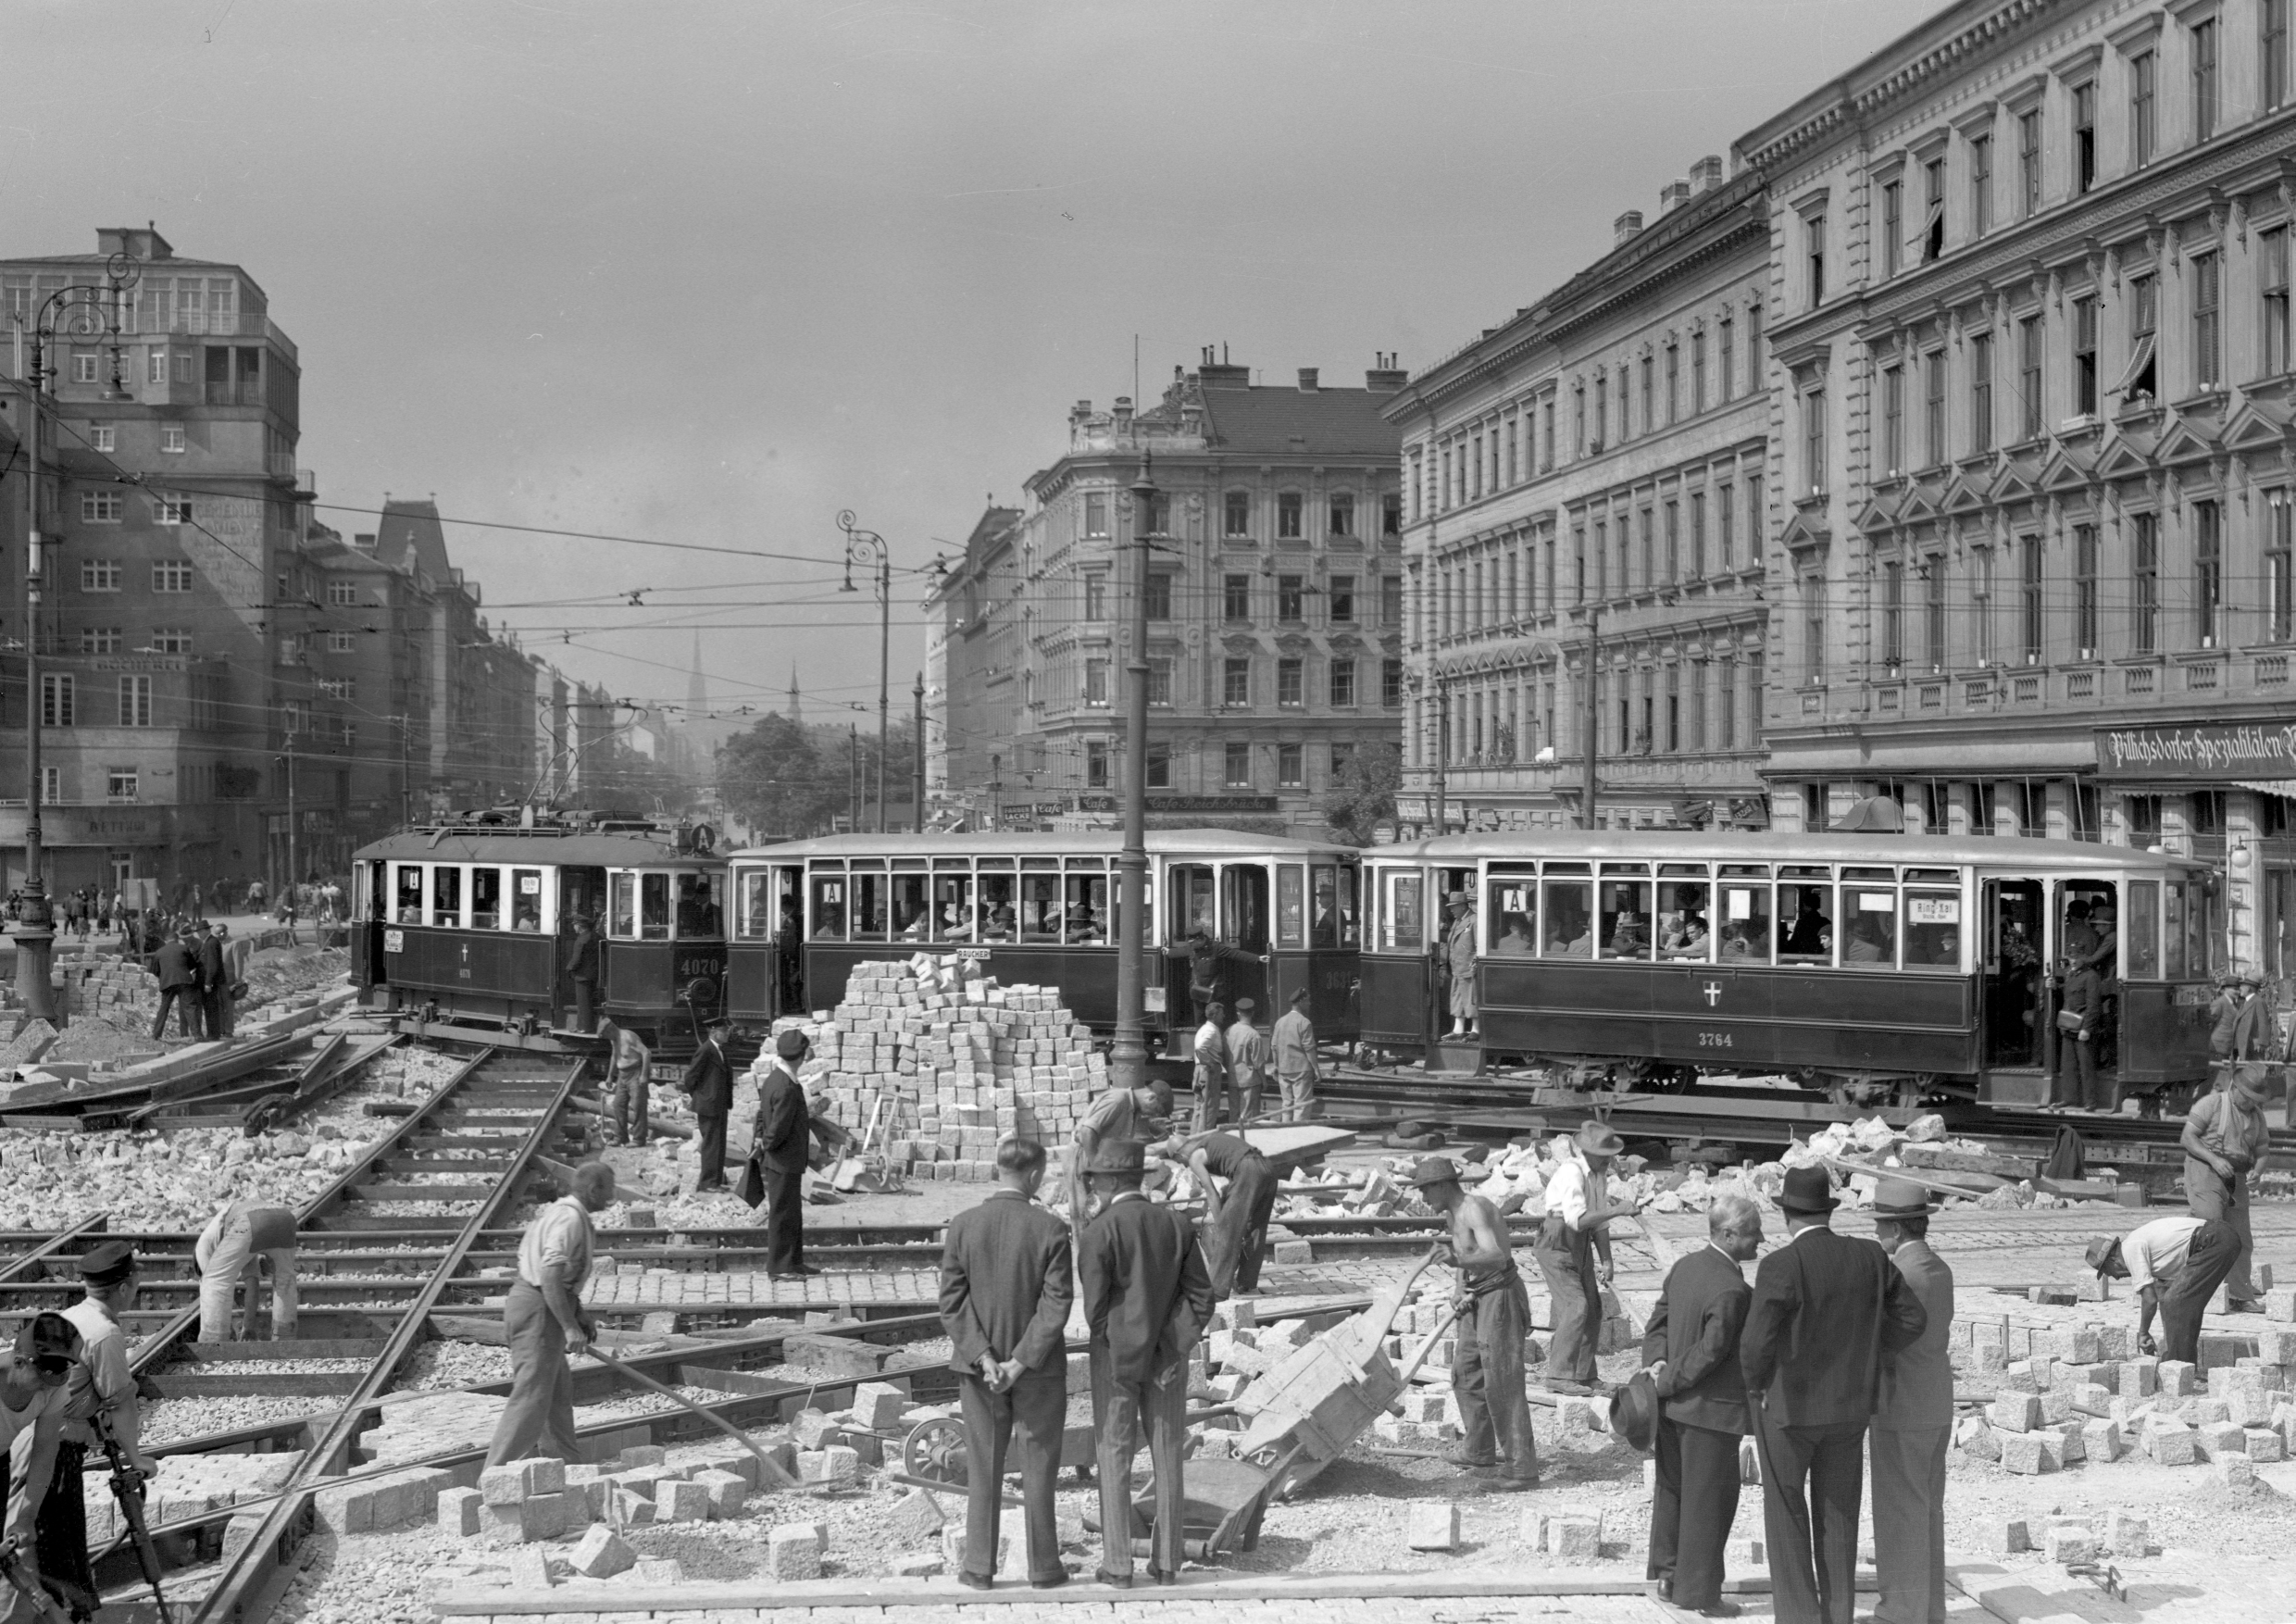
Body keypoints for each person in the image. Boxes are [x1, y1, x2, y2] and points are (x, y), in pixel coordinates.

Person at [1739, 1166, 1928, 1624]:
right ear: (1828, 1210)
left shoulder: (1780, 1265)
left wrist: (1756, 1387)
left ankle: (1801, 1616)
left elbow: (1755, 1344)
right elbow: (1912, 1320)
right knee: (1839, 1514)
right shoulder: (1869, 1257)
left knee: (1786, 1512)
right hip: (1849, 1408)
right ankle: (1838, 1615)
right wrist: (1867, 1354)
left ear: (1787, 1216)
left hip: (1787, 1409)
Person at [937, 1137, 1074, 1591]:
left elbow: (952, 1303)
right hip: (1038, 1371)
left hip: (978, 1372)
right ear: (1035, 1176)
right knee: (1039, 1467)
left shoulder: (962, 1225)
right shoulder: (1051, 1229)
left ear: (998, 1170)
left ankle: (978, 1568)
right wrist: (1019, 1361)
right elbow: (1057, 1305)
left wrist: (984, 1357)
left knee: (984, 1468)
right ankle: (1045, 1569)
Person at [1077, 1138, 1214, 1588]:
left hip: (1115, 1363)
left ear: (1114, 1180)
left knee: (1113, 1455)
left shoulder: (1099, 1232)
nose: (1092, 1186)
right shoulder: (1176, 1225)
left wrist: (1127, 1356)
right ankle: (1168, 1563)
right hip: (1169, 1364)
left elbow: (1096, 1313)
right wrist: (1170, 1352)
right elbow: (1201, 1297)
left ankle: (1118, 1565)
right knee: (1168, 1454)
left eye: (1095, 1178)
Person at [1641, 1195, 1761, 1618]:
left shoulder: (1686, 1267)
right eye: (1752, 1233)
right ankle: (1700, 1595)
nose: (1760, 1240)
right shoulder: (1732, 1290)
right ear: (1728, 1235)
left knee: (1673, 1493)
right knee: (1710, 1504)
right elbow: (1711, 1352)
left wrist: (1656, 1368)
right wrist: (1669, 1379)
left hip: (1670, 1409)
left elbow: (1659, 1319)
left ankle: (1669, 1576)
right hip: (1710, 1412)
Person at [1408, 1157, 1538, 1485]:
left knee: (1504, 1383)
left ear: (1441, 1184)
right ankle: (1479, 1450)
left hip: (1500, 1297)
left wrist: (1457, 1260)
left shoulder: (1475, 1208)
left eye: (1425, 1190)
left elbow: (1497, 1256)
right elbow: (1465, 1256)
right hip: (1477, 1296)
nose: (1424, 1199)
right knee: (1466, 1373)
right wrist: (1458, 1287)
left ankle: (1521, 1469)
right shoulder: (1452, 1214)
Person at [39, 1243, 145, 1620]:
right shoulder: (104, 1333)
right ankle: (71, 1614)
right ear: (123, 1287)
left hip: (26, 1446)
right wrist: (137, 1460)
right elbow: (121, 1403)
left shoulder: (64, 1317)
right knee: (65, 1551)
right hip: (56, 1454)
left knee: (42, 1547)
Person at [486, 1162, 615, 1468]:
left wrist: (578, 1313)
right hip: (538, 1309)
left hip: (543, 1306)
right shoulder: (569, 1220)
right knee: (532, 1397)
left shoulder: (566, 1213)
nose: (612, 1197)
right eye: (608, 1190)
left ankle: (567, 1468)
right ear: (594, 1190)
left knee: (556, 1395)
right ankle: (493, 1480)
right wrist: (570, 1327)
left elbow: (560, 1280)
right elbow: (550, 1276)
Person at [1869, 1179, 1955, 1624]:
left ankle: (1900, 1613)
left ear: (1898, 1230)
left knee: (1898, 1511)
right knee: (1926, 1511)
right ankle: (1927, 1610)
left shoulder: (1900, 1274)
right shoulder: (1939, 1268)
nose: (1877, 1234)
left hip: (1900, 1404)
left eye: (1880, 1225)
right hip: (1936, 1400)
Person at [1534, 1120, 1647, 1395]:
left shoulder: (1598, 1175)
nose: (1610, 1160)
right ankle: (1558, 1375)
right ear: (1588, 1152)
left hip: (1579, 1242)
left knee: (1593, 1309)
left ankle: (1584, 1375)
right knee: (1576, 1307)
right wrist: (1618, 1209)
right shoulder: (1572, 1173)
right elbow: (1577, 1220)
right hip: (1557, 1241)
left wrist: (1607, 1261)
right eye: (1605, 1155)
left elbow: (1598, 1226)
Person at [0, 1313, 81, 1620]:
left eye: (60, 1374)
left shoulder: (53, 1383)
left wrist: (26, 1516)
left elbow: (45, 1450)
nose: (45, 1389)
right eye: (43, 1377)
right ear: (19, 1362)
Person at [2085, 1212, 2242, 1365]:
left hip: (2213, 1240)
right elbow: (2161, 1295)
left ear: (2113, 1260)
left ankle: (2179, 1368)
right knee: (2176, 1301)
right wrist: (2166, 1345)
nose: (2116, 1277)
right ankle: (2178, 1365)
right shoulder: (2143, 1247)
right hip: (2218, 1237)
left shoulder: (2130, 1250)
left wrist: (2143, 1332)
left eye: (2109, 1272)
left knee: (2177, 1301)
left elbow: (2150, 1299)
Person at [2181, 1065, 2272, 1312]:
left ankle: (2240, 1295)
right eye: (2248, 1097)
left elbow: (2262, 1152)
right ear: (2236, 1088)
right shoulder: (2211, 1104)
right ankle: (2190, 1290)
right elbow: (2188, 1138)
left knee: (2240, 1238)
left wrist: (2258, 1172)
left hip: (2237, 1177)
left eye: (2256, 1099)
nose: (2251, 1103)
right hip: (2205, 1170)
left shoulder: (2257, 1117)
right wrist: (2214, 1160)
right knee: (2210, 1225)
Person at [1155, 1130, 1278, 1298]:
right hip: (1268, 1169)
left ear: (1180, 1152)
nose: (1184, 1165)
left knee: (1228, 1233)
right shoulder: (1213, 1141)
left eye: (1179, 1161)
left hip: (1248, 1170)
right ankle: (1247, 1284)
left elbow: (1211, 1192)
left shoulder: (1195, 1157)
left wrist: (1221, 1224)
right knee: (1256, 1228)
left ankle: (1217, 1291)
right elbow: (1235, 1168)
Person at [1066, 1080, 1172, 1236]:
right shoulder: (1118, 1100)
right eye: (1156, 1110)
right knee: (1085, 1213)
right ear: (1150, 1097)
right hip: (1083, 1157)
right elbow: (1087, 1132)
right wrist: (1097, 1170)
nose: (1154, 1115)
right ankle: (1084, 1253)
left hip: (1099, 1157)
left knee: (1102, 1212)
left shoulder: (1132, 1108)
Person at [755, 1029, 818, 1279]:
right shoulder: (786, 1087)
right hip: (783, 1159)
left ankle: (793, 1261)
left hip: (785, 1159)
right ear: (801, 1056)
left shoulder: (776, 1078)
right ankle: (779, 1268)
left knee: (792, 1212)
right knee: (782, 1213)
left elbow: (762, 1115)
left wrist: (761, 1139)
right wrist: (767, 1144)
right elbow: (779, 1127)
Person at [195, 1201, 297, 1343]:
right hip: (285, 1217)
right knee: (285, 1280)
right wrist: (248, 1328)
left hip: (251, 1220)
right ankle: (285, 1340)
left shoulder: (202, 1247)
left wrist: (224, 1328)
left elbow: (212, 1286)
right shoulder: (233, 1242)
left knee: (215, 1279)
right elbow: (252, 1283)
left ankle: (212, 1343)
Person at [681, 1017, 737, 1193]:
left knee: (718, 1143)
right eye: (724, 1031)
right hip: (709, 1105)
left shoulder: (719, 1050)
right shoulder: (706, 1050)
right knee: (712, 1144)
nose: (728, 1034)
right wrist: (702, 1096)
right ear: (714, 1032)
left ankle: (715, 1181)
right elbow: (690, 1077)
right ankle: (708, 1183)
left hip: (718, 1104)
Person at [599, 1018, 652, 1147]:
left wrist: (644, 1075)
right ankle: (621, 1137)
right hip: (622, 1075)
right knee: (618, 1104)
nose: (606, 1038)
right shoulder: (614, 1039)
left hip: (635, 1073)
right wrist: (610, 1076)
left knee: (638, 1106)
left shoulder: (628, 1037)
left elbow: (646, 1053)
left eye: (606, 1035)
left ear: (611, 1030)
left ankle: (639, 1139)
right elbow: (614, 1056)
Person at [1270, 988, 1319, 1122]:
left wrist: (1276, 1065)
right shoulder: (1304, 1022)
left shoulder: (1280, 1022)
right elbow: (1309, 1049)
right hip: (1301, 1070)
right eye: (1308, 1001)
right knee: (1301, 1106)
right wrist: (1315, 1068)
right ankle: (1298, 1135)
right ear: (1301, 1001)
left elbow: (1274, 1046)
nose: (1309, 1004)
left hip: (1284, 1069)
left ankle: (1286, 1134)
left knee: (1287, 1105)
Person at [151, 927, 201, 1042]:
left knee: (164, 1008)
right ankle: (197, 1034)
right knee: (190, 1008)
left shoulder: (159, 952)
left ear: (166, 940)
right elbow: (192, 965)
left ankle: (156, 1035)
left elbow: (154, 971)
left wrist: (164, 976)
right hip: (184, 981)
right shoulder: (184, 948)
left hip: (167, 983)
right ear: (177, 939)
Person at [1224, 998, 1267, 1125]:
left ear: (1238, 1013)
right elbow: (1258, 1063)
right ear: (1252, 1013)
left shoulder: (1228, 1031)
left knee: (1234, 1115)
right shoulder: (1253, 1035)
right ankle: (1247, 1142)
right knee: (1248, 1118)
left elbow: (1223, 1056)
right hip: (1250, 1081)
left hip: (1233, 1079)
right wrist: (1264, 1081)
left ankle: (1234, 1141)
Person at [1191, 1001, 1231, 1132]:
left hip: (1199, 1070)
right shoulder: (1212, 1031)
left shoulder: (1203, 1029)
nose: (1224, 1016)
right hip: (1208, 1071)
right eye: (1221, 1014)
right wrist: (1209, 1063)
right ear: (1214, 1015)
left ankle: (1193, 1136)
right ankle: (1204, 1138)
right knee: (1209, 1108)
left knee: (1199, 1107)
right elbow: (1200, 1047)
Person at [1444, 893, 1478, 1036]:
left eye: (1454, 907)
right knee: (1458, 998)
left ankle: (1476, 1030)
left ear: (1464, 906)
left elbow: (1479, 945)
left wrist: (1475, 962)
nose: (1451, 910)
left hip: (1468, 968)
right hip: (1457, 968)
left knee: (1471, 999)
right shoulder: (1458, 921)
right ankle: (1458, 1029)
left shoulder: (1474, 920)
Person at [195, 919, 231, 1043]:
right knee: (210, 1007)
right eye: (198, 932)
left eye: (200, 932)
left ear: (206, 931)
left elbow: (212, 965)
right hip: (209, 981)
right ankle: (213, 1032)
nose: (199, 934)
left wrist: (208, 982)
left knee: (211, 1008)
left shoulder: (211, 943)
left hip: (211, 982)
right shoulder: (208, 942)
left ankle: (213, 1034)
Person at [566, 914, 601, 1033]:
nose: (574, 928)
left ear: (579, 926)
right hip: (594, 973)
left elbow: (576, 959)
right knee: (587, 1001)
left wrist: (569, 969)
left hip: (582, 976)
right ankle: (580, 1026)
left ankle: (585, 1027)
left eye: (575, 925)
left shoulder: (581, 940)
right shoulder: (596, 936)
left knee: (583, 1002)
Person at [1186, 929, 1220, 1025]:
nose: (1191, 945)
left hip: (1212, 991)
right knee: (1199, 1019)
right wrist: (1168, 951)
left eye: (1192, 942)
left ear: (1199, 939)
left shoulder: (1215, 947)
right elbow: (1181, 950)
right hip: (1197, 991)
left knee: (1214, 1018)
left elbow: (1236, 954)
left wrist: (1257, 958)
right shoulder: (1192, 948)